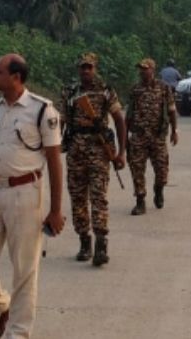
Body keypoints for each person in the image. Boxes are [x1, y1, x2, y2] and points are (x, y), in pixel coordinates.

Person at [0, 54, 65, 339]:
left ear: (16, 77)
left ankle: (18, 334)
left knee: (24, 271)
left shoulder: (42, 111)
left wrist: (56, 210)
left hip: (25, 195)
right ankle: (1, 310)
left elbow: (55, 162)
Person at [62, 52, 127, 267]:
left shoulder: (106, 91)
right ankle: (84, 241)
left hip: (99, 150)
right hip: (76, 150)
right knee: (78, 197)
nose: (86, 71)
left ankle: (101, 243)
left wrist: (121, 152)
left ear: (95, 68)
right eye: (83, 67)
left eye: (89, 67)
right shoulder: (70, 92)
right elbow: (61, 121)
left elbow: (119, 120)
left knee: (99, 197)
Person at [126, 58, 179, 215]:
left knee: (162, 171)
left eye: (145, 68)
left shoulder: (163, 88)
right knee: (137, 170)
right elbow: (128, 115)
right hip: (139, 136)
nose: (142, 71)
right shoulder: (135, 89)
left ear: (153, 70)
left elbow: (171, 110)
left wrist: (175, 131)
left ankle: (159, 189)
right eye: (140, 69)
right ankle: (140, 201)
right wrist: (124, 139)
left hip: (157, 136)